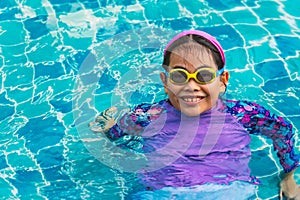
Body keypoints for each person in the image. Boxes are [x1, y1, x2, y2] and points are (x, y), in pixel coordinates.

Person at [89, 30, 300, 199]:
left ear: (223, 80)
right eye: (179, 76)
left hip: (231, 191)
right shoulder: (149, 115)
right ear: (164, 81)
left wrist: (288, 177)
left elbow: (283, 132)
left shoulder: (242, 115)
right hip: (162, 194)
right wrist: (107, 129)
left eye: (204, 75)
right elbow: (118, 135)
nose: (191, 86)